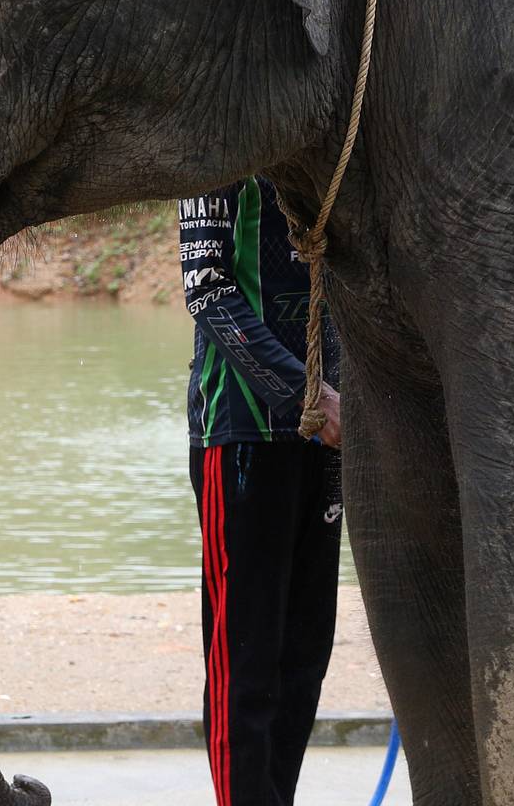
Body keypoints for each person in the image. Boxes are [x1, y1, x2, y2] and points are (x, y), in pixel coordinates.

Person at [178, 175, 343, 806]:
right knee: (244, 662)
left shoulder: (324, 157)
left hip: (325, 437)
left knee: (303, 659)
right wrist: (308, 395)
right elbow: (208, 291)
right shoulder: (213, 150)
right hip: (242, 434)